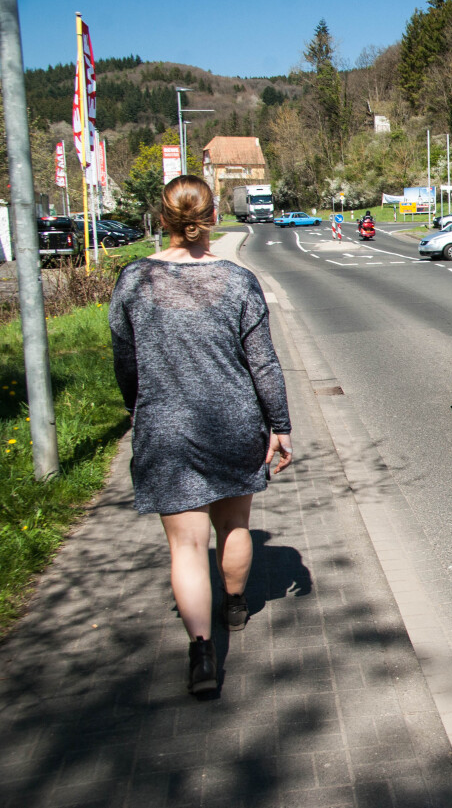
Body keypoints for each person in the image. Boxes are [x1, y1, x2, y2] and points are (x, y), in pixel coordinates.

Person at [109, 175, 293, 695]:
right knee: (233, 524)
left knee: (186, 546)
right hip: (234, 422)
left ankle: (202, 653)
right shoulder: (238, 282)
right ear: (213, 218)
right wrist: (279, 425)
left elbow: (125, 360)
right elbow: (264, 365)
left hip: (166, 427)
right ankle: (234, 608)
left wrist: (134, 407)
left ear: (161, 219)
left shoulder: (134, 281)